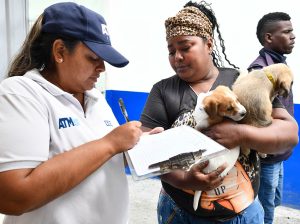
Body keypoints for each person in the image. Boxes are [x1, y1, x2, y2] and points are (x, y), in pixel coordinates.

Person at [0, 2, 162, 224]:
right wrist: (110, 143)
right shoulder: (22, 94)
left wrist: (136, 147)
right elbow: (13, 197)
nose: (102, 68)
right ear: (59, 51)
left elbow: (98, 157)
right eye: (93, 58)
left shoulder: (94, 97)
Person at [140, 1, 298, 223]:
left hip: (242, 214)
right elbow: (145, 153)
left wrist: (241, 134)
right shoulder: (164, 91)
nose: (177, 56)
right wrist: (185, 180)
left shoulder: (241, 81)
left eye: (185, 47)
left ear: (209, 44)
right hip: (179, 213)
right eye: (171, 50)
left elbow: (289, 133)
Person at [248, 12, 296, 224]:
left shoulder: (278, 65)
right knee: (266, 206)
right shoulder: (260, 70)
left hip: (280, 154)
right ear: (269, 38)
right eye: (287, 32)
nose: (293, 36)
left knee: (273, 201)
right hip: (268, 157)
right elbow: (257, 112)